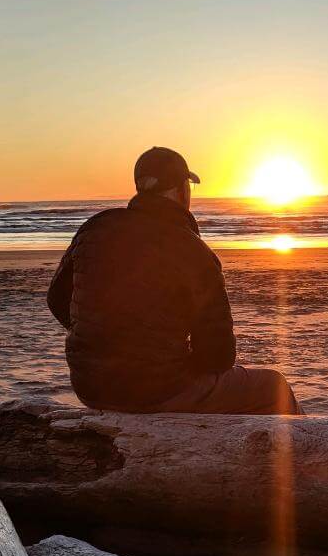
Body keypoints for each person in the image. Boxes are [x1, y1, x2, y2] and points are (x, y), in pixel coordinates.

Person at [47, 146, 302, 415]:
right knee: (275, 387)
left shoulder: (96, 228)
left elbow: (56, 300)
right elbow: (218, 356)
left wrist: (102, 338)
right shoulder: (192, 250)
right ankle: (305, 455)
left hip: (90, 385)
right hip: (156, 390)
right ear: (182, 189)